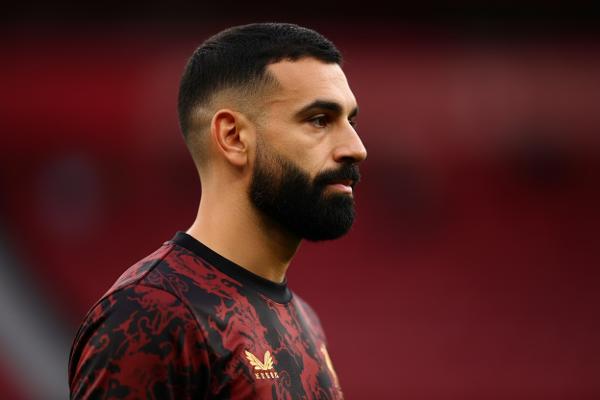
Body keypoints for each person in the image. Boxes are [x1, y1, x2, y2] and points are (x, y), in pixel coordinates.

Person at [68, 22, 367, 399]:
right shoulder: (152, 314)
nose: (357, 148)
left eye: (350, 121)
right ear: (233, 137)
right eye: (319, 120)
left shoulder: (304, 320)